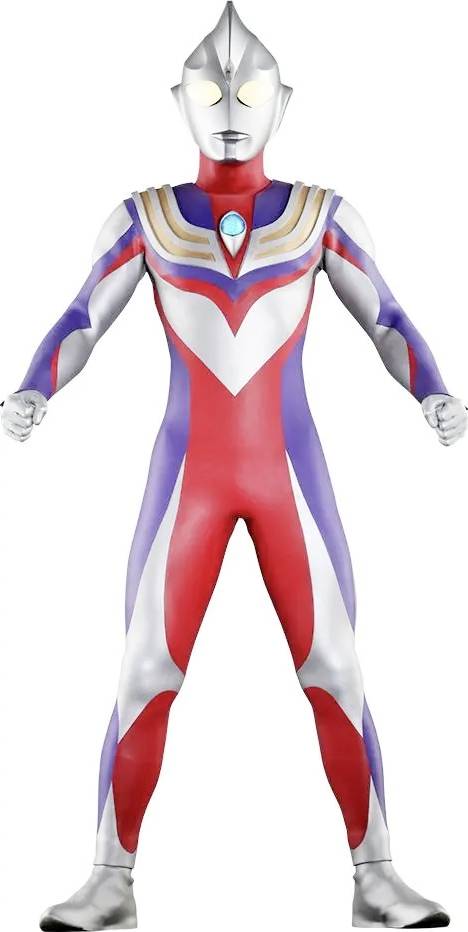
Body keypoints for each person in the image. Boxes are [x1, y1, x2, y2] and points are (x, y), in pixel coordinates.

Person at [2, 4, 465, 929]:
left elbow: (386, 316)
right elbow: (83, 315)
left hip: (288, 473)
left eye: (249, 93)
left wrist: (434, 392)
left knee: (336, 666)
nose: (228, 108)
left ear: (283, 102)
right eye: (210, 92)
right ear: (177, 100)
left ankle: (376, 875)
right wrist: (33, 388)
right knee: (145, 669)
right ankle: (110, 880)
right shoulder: (146, 217)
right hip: (190, 477)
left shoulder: (320, 214)